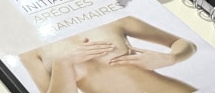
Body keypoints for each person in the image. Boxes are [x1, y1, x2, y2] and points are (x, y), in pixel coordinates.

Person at [18, 15, 197, 93]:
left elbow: (185, 44)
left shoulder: (111, 19)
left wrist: (170, 58)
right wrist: (62, 63)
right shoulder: (30, 52)